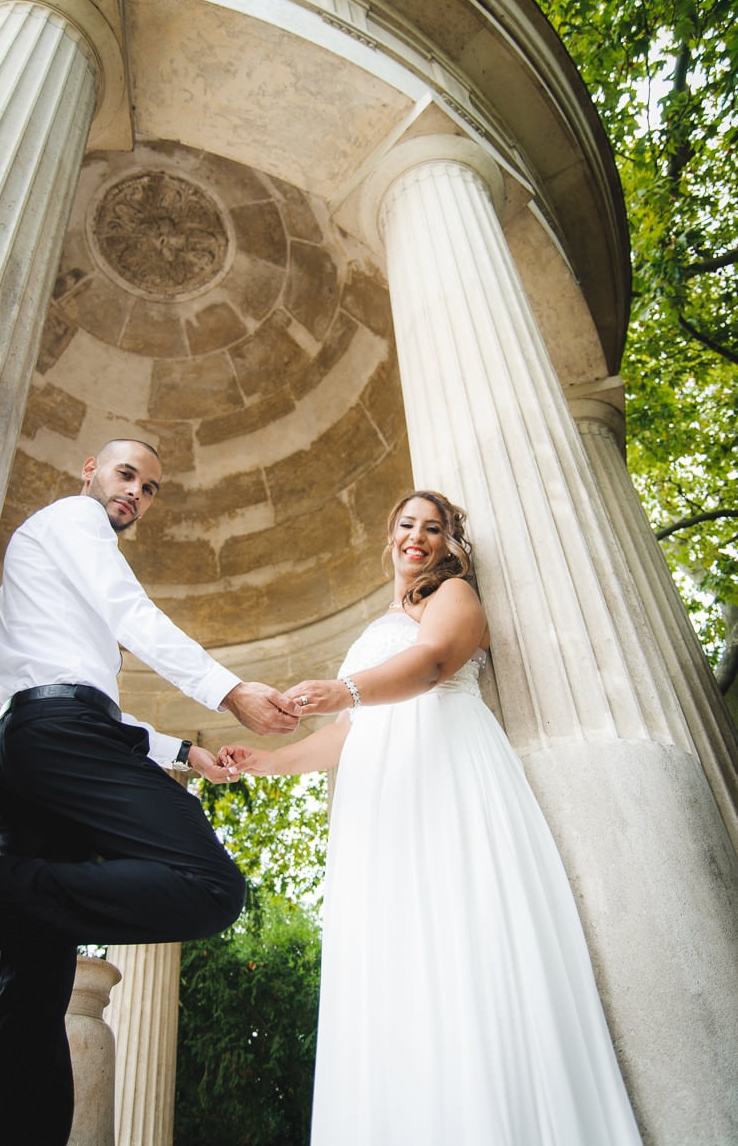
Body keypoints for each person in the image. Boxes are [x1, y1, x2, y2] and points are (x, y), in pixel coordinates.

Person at [221, 490, 643, 1145]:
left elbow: (434, 662)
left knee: (463, 936)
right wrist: (264, 762)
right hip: (377, 800)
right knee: (392, 963)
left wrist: (346, 689)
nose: (418, 535)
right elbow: (347, 735)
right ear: (389, 538)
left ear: (450, 545)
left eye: (435, 528)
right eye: (407, 524)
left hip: (446, 772)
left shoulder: (450, 598)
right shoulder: (372, 629)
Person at [0, 439, 302, 1146]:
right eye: (125, 474)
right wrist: (227, 690)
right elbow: (128, 613)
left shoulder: (48, 561)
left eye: (150, 487)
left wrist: (184, 753)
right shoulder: (74, 523)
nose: (136, 492)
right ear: (90, 470)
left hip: (23, 748)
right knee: (209, 887)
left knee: (33, 978)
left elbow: (74, 689)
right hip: (57, 737)